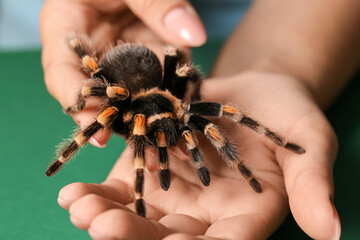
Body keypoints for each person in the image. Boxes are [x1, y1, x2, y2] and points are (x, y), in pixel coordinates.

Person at [40, 0, 360, 239]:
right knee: (108, 91)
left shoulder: (180, 108)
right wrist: (79, 95)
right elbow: (95, 83)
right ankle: (135, 194)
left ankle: (241, 165)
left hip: (256, 29)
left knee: (212, 103)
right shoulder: (121, 108)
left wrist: (243, 167)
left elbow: (187, 73)